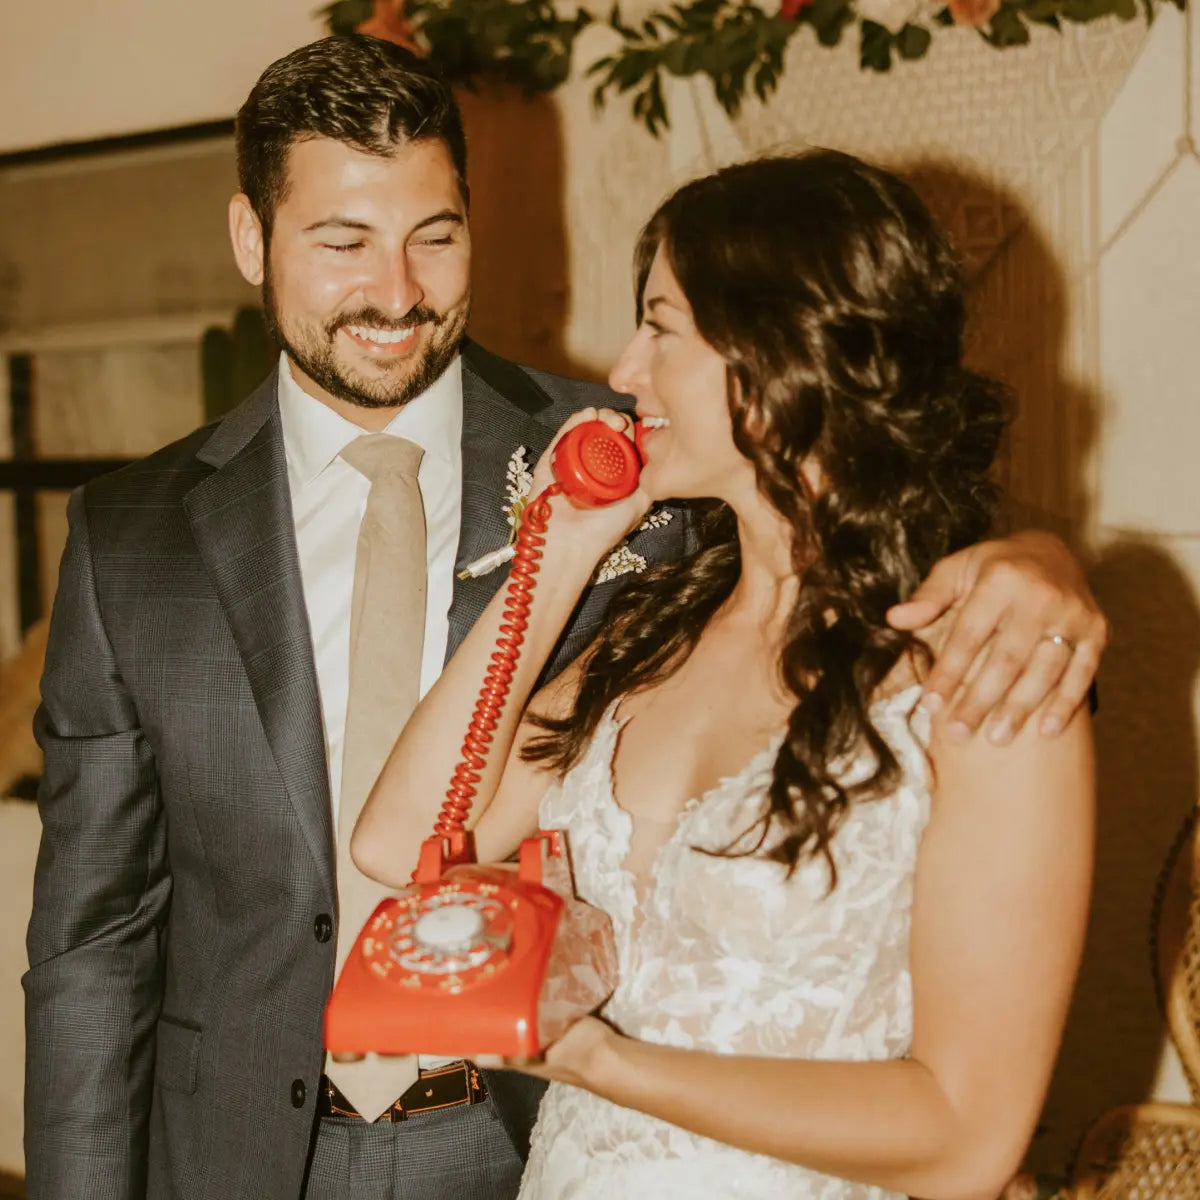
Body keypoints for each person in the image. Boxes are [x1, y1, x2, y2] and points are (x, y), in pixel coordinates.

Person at [22, 34, 1103, 1200]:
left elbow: (898, 530)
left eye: (435, 237)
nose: (398, 291)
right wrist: (555, 548)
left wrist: (1048, 563)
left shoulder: (957, 649)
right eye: (345, 243)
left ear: (775, 358)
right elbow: (354, 863)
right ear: (255, 239)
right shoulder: (649, 615)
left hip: (510, 1149)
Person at [352, 151, 1095, 1199]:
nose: (623, 369)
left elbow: (966, 1134)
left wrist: (601, 1061)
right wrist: (556, 555)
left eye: (660, 325)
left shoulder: (985, 674)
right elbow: (395, 840)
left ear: (776, 348)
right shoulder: (647, 642)